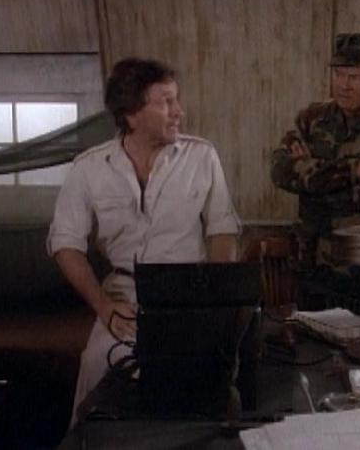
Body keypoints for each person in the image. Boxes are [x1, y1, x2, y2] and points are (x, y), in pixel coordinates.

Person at [46, 57, 242, 427]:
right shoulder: (89, 168)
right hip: (125, 297)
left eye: (176, 100)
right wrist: (104, 306)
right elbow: (66, 244)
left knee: (209, 381)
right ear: (132, 114)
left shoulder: (201, 157)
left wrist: (212, 301)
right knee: (97, 365)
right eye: (166, 102)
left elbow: (222, 229)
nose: (179, 112)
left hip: (189, 296)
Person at [270, 33, 360, 310]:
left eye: (355, 77)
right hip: (314, 259)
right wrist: (357, 169)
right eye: (338, 74)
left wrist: (311, 177)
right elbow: (279, 170)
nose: (343, 85)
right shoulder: (312, 117)